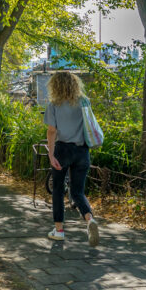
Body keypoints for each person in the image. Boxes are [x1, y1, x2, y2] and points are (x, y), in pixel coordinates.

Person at [44, 71, 99, 246]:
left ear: (55, 85)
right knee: (77, 191)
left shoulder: (54, 104)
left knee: (58, 190)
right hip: (82, 150)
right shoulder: (84, 101)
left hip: (62, 150)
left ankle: (59, 231)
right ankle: (89, 219)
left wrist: (51, 154)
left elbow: (52, 131)